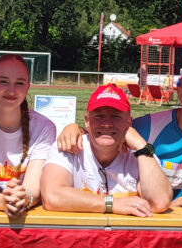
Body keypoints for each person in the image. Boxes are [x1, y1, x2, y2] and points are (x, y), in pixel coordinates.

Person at [57, 63, 182, 209]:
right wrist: (75, 128)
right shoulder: (148, 126)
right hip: (148, 225)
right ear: (181, 95)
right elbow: (106, 132)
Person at [42, 84, 172, 216]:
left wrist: (142, 147)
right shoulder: (70, 146)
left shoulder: (140, 153)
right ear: (87, 121)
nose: (107, 124)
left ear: (129, 122)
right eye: (98, 116)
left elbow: (159, 202)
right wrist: (113, 204)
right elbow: (51, 197)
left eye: (116, 116)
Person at [0, 54, 55, 217]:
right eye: (3, 81)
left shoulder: (44, 128)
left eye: (19, 83)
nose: (11, 90)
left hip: (29, 221)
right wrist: (4, 202)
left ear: (28, 86)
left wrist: (23, 198)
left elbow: (32, 187)